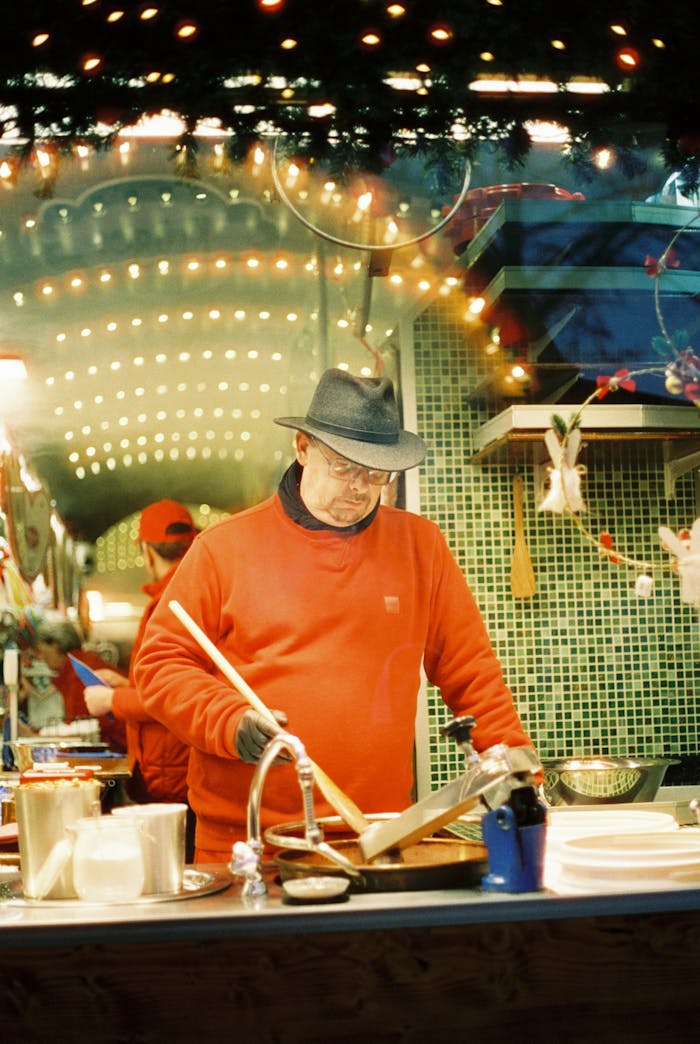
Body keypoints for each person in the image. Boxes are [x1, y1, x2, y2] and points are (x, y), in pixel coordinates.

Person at [134, 368, 537, 863]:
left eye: (376, 473)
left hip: (379, 834)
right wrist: (226, 719)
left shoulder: (420, 547)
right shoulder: (222, 550)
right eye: (344, 466)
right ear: (302, 448)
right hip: (247, 843)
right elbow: (159, 666)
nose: (359, 488)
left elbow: (471, 674)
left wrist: (522, 777)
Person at [83, 500, 198, 859]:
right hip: (176, 766)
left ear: (148, 552)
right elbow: (169, 682)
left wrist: (111, 702)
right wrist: (124, 686)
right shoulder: (189, 589)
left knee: (173, 869)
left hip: (173, 775)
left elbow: (176, 694)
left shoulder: (173, 598)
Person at [32, 619, 127, 752]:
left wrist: (35, 736)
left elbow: (82, 728)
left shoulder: (78, 672)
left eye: (41, 651)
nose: (40, 658)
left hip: (121, 748)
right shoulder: (78, 664)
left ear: (55, 645)